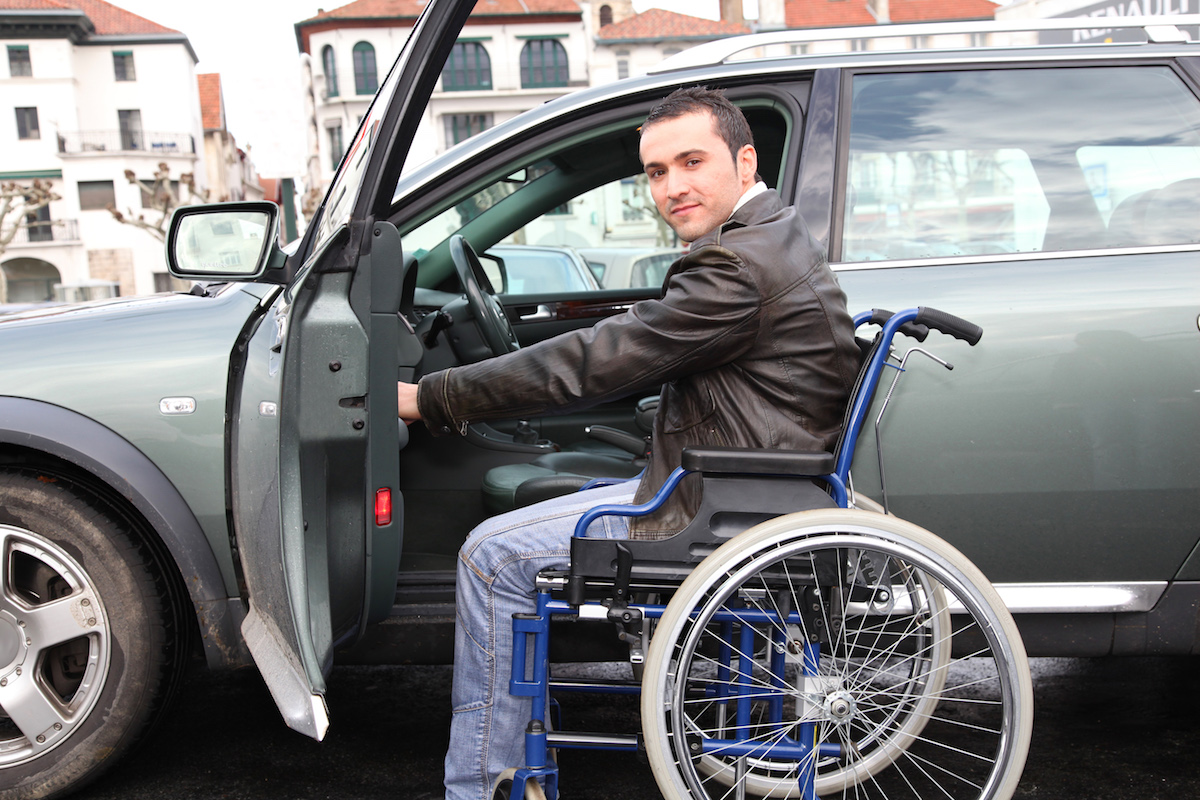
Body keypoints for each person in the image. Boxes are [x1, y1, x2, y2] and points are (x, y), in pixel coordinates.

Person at [396, 86, 861, 800]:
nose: (672, 186)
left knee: (491, 558)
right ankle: (514, 751)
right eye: (656, 171)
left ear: (744, 160)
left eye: (691, 161)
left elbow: (598, 358)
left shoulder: (736, 266)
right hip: (740, 482)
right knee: (536, 519)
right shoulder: (769, 238)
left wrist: (431, 396)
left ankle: (489, 786)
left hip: (722, 507)